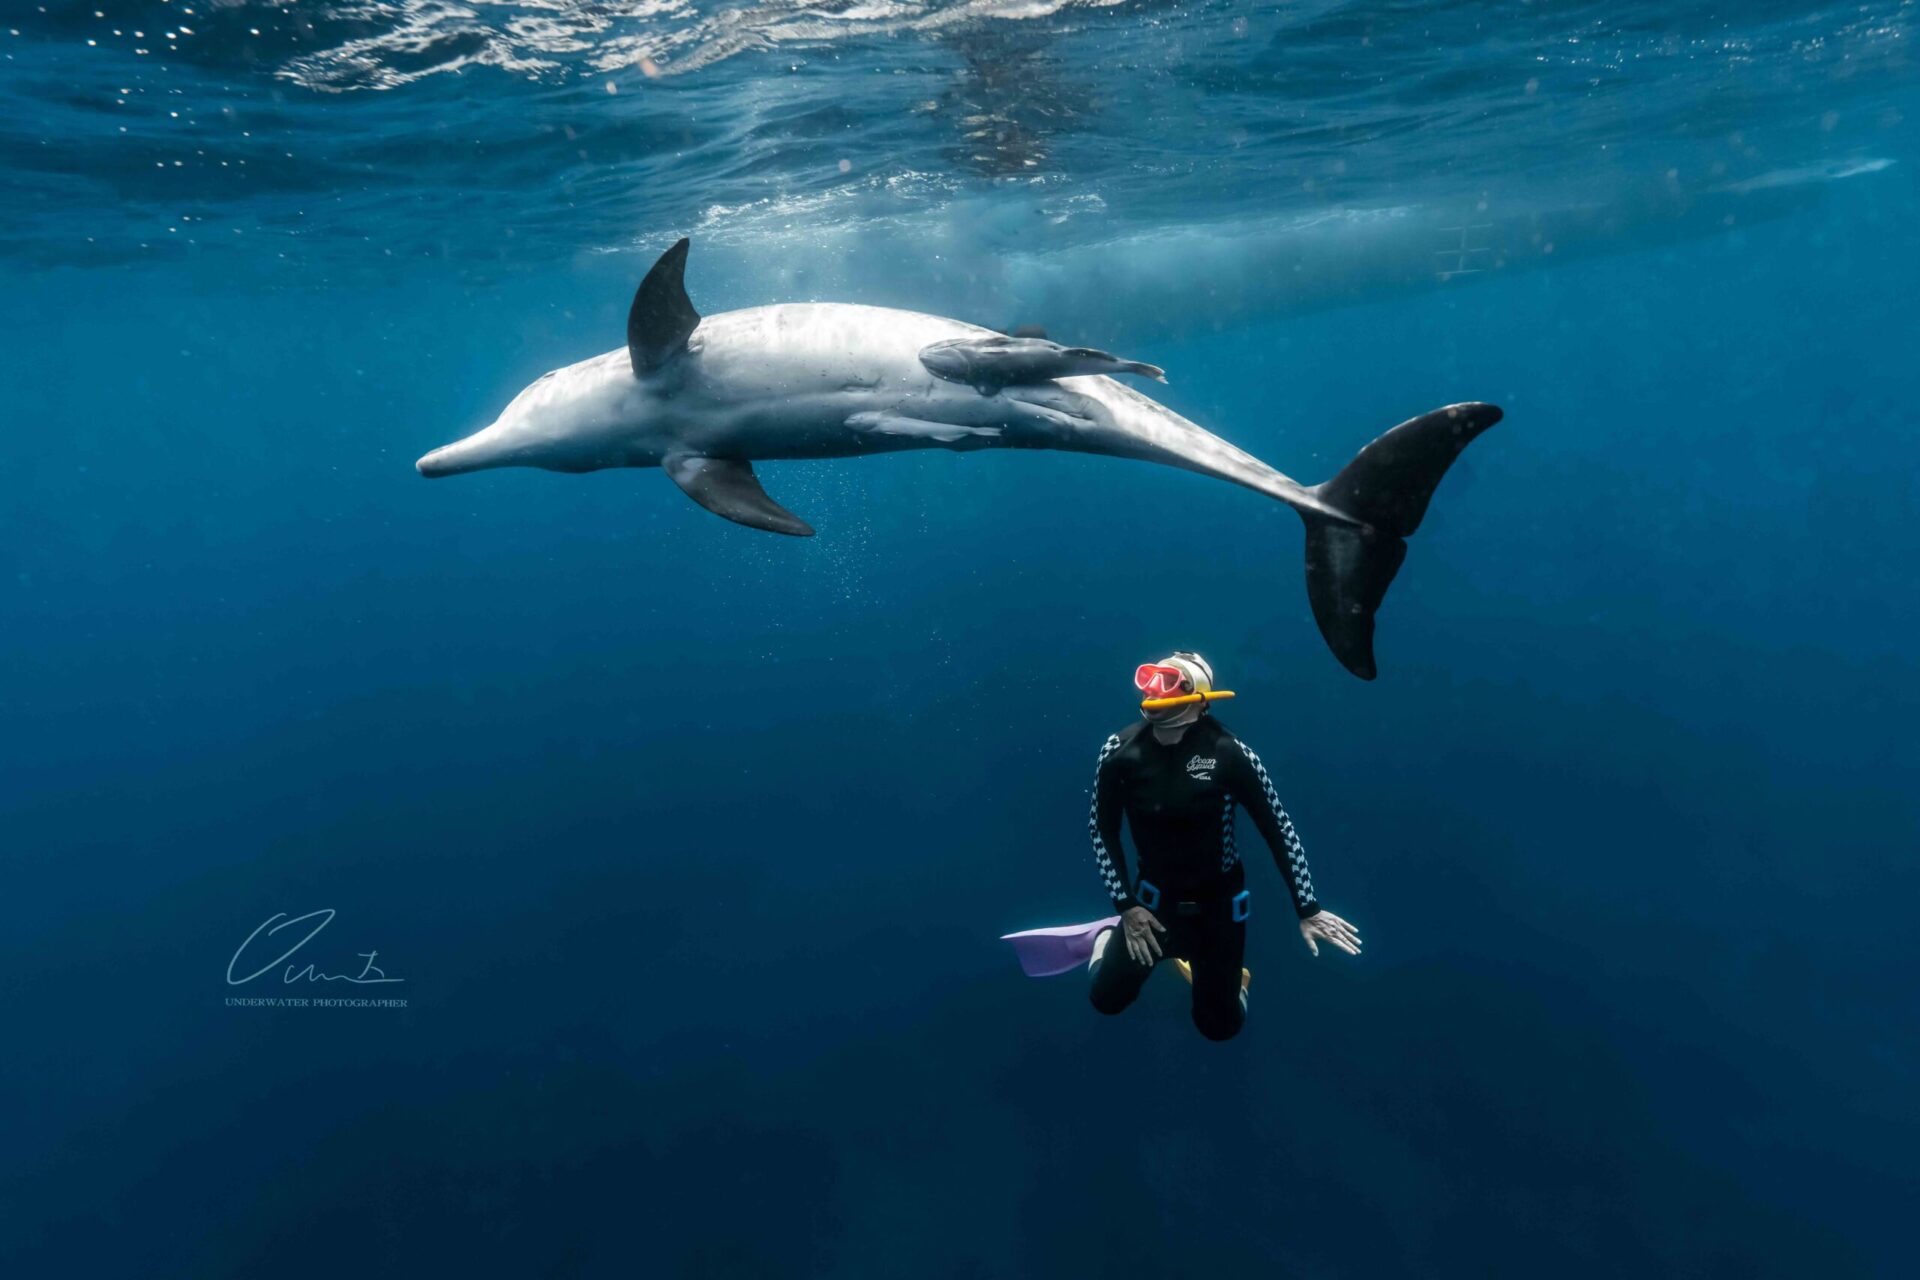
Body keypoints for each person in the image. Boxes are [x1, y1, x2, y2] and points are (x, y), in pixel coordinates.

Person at [1087, 651, 1362, 1040]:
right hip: (1150, 909)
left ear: (1197, 694)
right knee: (1106, 999)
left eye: (1167, 680)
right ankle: (1104, 938)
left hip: (1218, 913)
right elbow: (1101, 829)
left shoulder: (1230, 752)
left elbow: (1279, 828)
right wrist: (1126, 906)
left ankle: (1234, 985)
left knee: (1219, 1027)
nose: (1152, 689)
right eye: (1148, 678)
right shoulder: (1118, 749)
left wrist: (1308, 908)